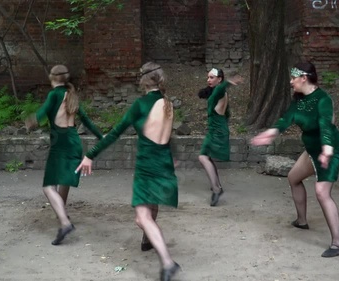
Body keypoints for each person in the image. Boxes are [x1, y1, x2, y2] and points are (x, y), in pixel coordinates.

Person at [75, 62, 181, 281]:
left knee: (142, 217)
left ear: (143, 80)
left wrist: (90, 155)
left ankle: (168, 262)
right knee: (152, 206)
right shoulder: (168, 103)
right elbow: (170, 136)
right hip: (164, 162)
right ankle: (146, 241)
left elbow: (114, 133)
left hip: (148, 165)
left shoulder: (141, 105)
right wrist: (176, 156)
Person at [250, 62, 339, 258]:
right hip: (312, 150)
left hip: (329, 151)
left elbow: (326, 125)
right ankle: (302, 221)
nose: (290, 81)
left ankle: (338, 243)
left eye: (293, 78)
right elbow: (286, 119)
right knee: (293, 177)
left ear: (304, 77)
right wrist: (271, 133)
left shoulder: (323, 99)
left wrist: (327, 149)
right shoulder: (299, 101)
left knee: (321, 192)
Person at [25, 64, 104, 245]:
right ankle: (62, 213)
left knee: (48, 186)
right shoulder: (72, 96)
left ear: (52, 78)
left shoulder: (54, 95)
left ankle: (65, 222)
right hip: (74, 141)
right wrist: (102, 137)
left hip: (59, 143)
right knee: (64, 181)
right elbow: (87, 121)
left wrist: (31, 121)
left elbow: (42, 114)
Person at [198, 68, 243, 206]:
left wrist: (229, 81)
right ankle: (216, 186)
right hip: (215, 130)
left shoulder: (220, 90)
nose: (208, 80)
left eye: (212, 77)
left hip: (217, 132)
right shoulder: (218, 92)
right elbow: (226, 113)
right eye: (208, 77)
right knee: (207, 157)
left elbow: (220, 89)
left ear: (219, 79)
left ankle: (217, 189)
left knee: (203, 157)